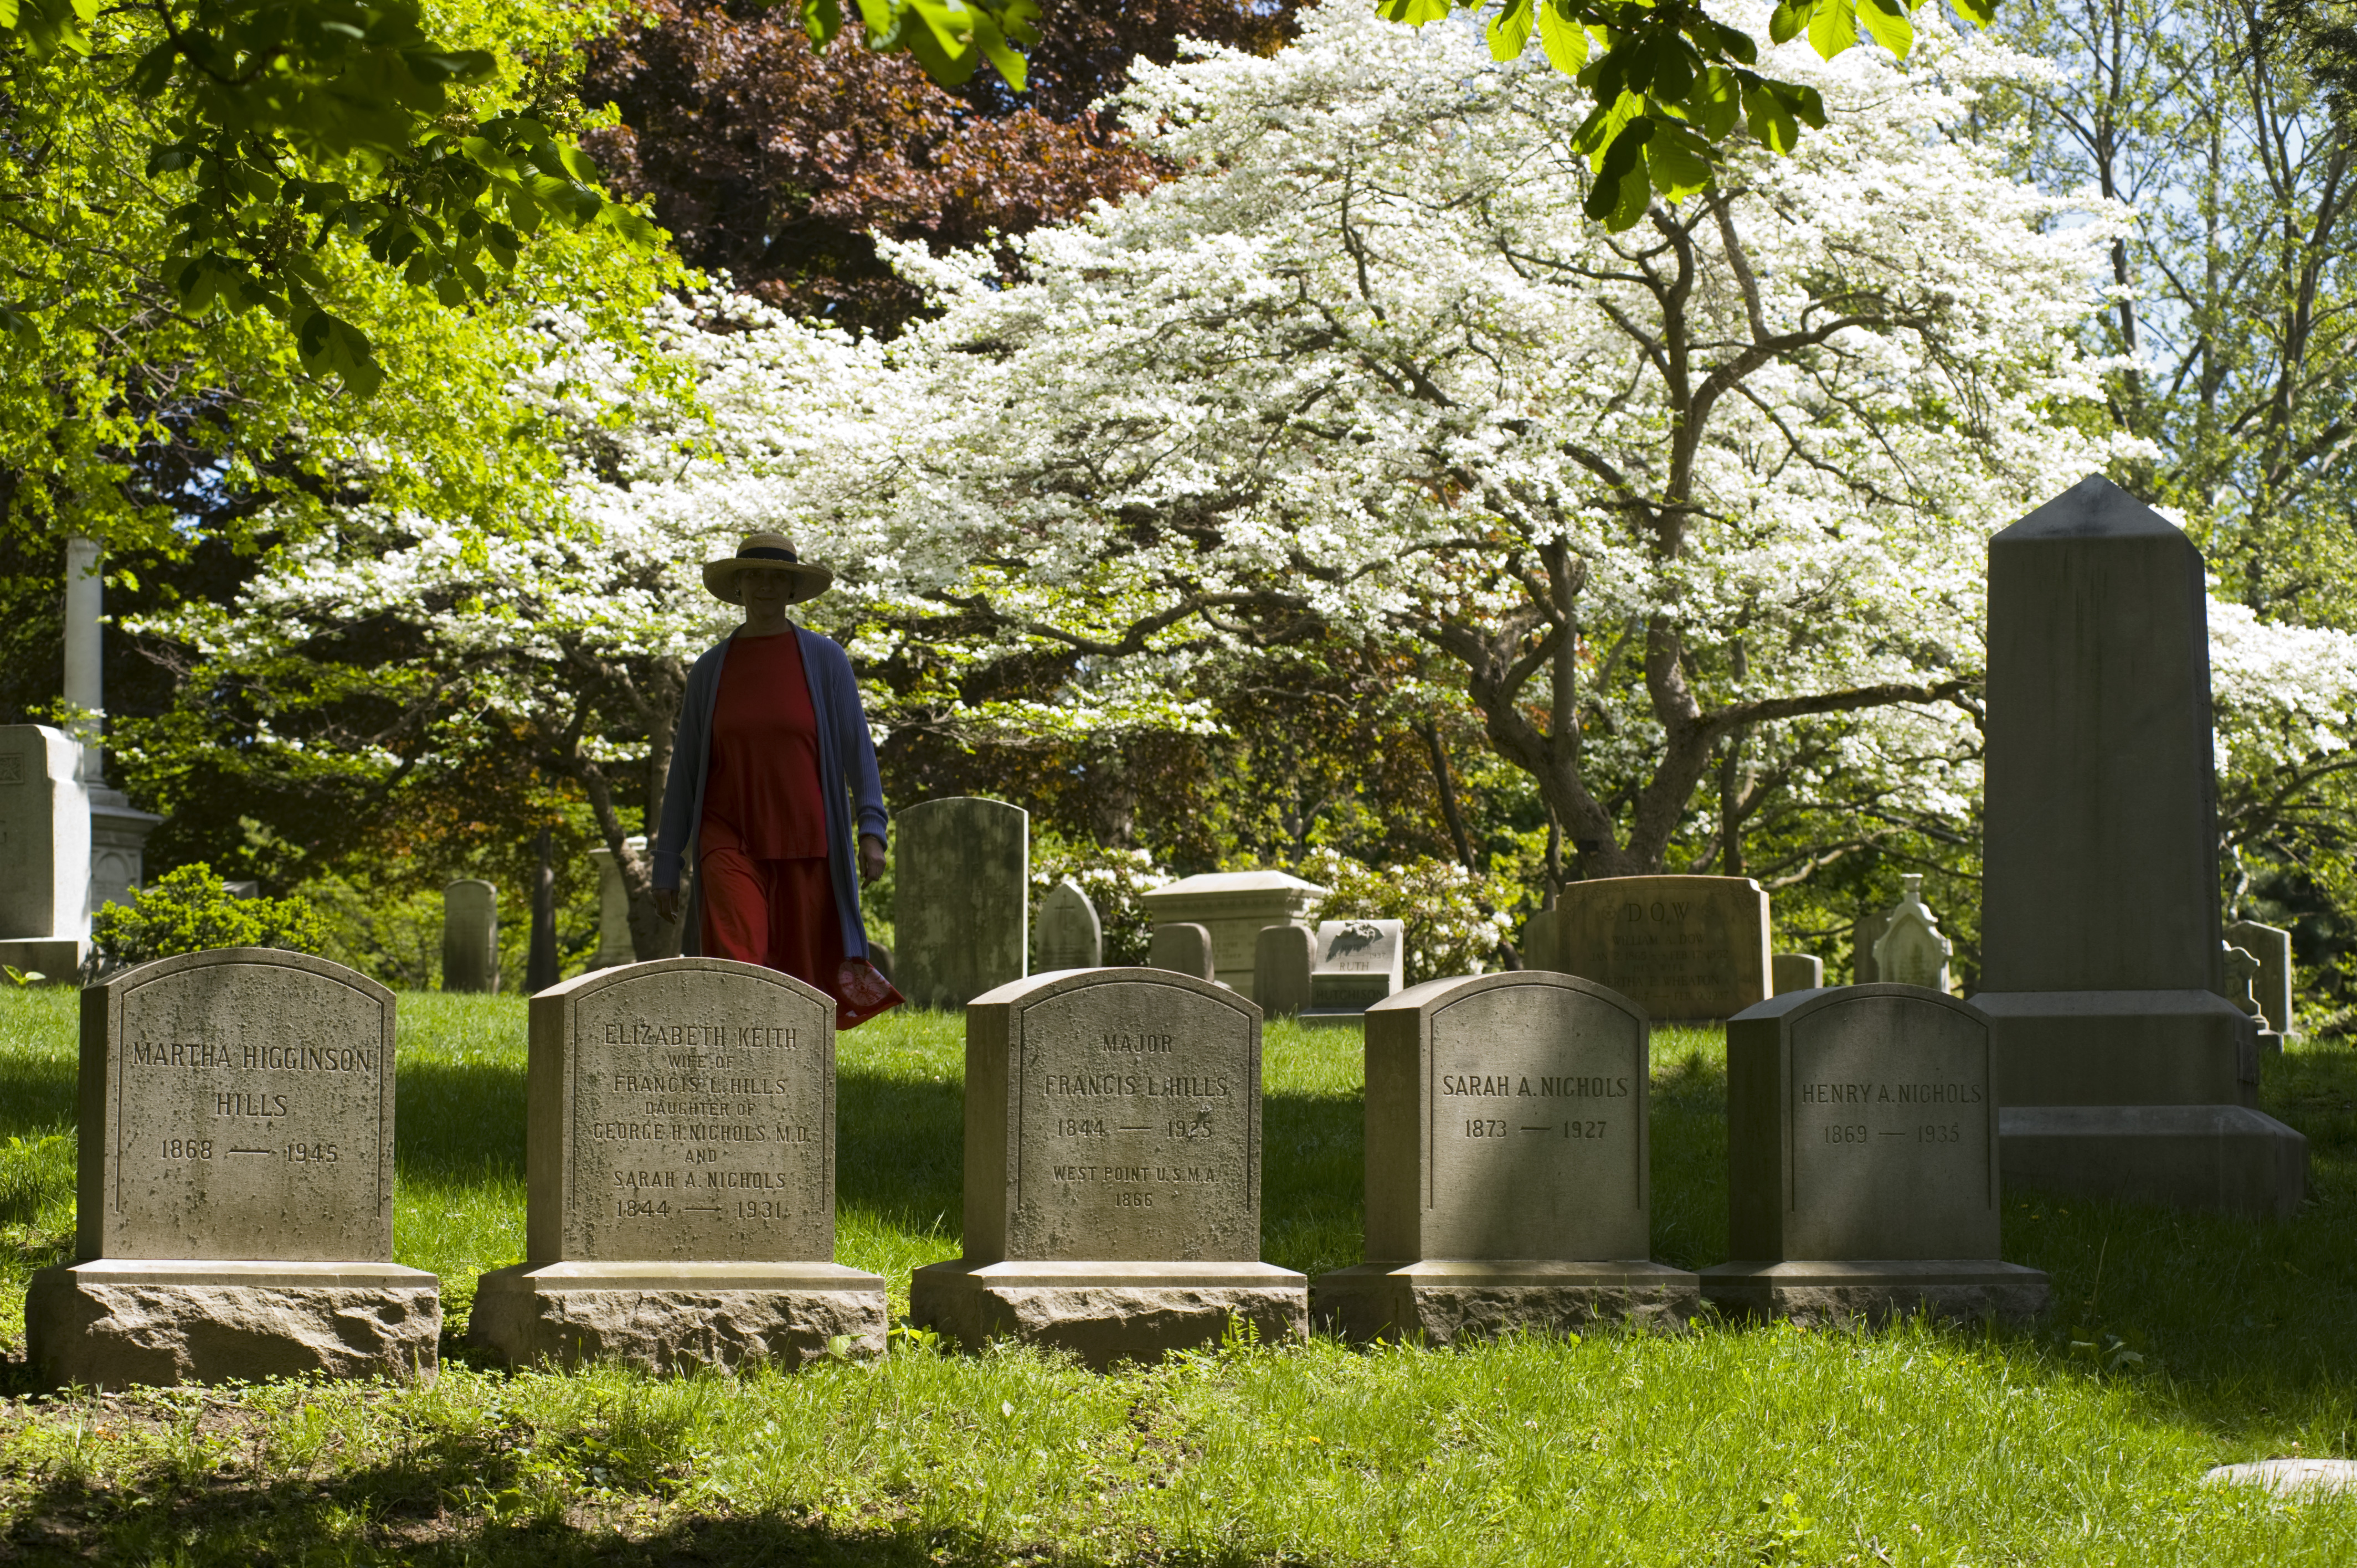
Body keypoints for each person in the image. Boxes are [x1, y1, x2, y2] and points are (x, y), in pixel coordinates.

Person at [651, 532, 902, 1027]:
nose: (765, 586)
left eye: (777, 578)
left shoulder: (826, 660)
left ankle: (788, 1082)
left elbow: (858, 751)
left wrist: (872, 831)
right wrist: (666, 861)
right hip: (726, 838)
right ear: (738, 586)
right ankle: (735, 1069)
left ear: (791, 591)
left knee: (799, 980)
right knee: (737, 962)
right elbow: (684, 770)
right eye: (755, 575)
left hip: (807, 840)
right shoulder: (710, 670)